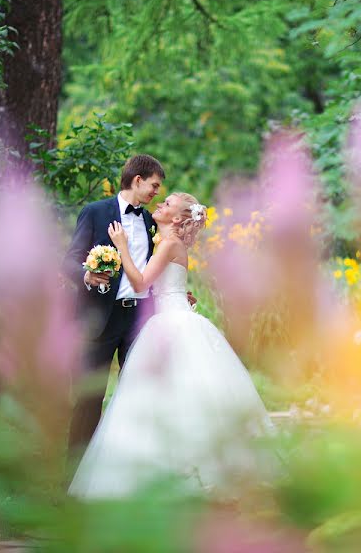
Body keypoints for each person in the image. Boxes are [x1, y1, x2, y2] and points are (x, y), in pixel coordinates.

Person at [68, 192, 273, 498]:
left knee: (169, 396)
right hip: (169, 316)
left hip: (170, 322)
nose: (159, 205)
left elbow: (140, 283)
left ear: (177, 219)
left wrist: (121, 247)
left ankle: (175, 474)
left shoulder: (168, 244)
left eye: (166, 204)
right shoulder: (166, 243)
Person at [64, 155, 192, 455]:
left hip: (140, 321)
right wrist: (87, 275)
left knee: (137, 397)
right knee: (88, 399)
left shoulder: (151, 221)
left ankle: (128, 473)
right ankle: (73, 477)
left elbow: (158, 267)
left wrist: (175, 292)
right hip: (99, 319)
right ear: (138, 180)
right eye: (154, 185)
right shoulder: (95, 212)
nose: (156, 193)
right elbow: (68, 260)